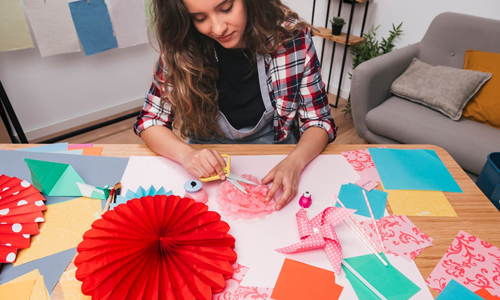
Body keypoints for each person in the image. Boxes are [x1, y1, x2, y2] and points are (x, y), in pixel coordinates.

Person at [134, 0, 336, 210]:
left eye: (226, 8)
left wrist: (295, 161)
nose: (219, 28)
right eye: (200, 18)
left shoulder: (292, 39)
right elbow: (150, 121)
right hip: (207, 167)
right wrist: (186, 155)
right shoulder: (182, 46)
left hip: (280, 158)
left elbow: (319, 121)